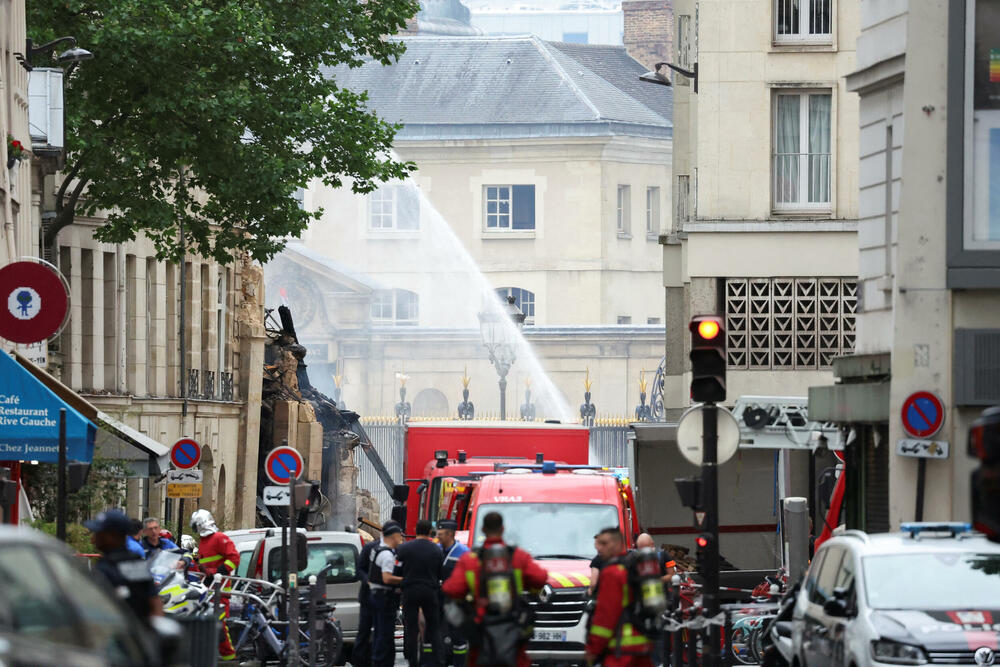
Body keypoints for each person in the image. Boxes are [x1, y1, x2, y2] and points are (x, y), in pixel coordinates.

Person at [442, 512, 548, 667]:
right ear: (503, 529)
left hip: (482, 632)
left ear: (483, 530)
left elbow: (451, 589)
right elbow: (540, 578)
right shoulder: (518, 557)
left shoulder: (470, 559)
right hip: (513, 633)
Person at [585, 528, 654, 667]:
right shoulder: (634, 566)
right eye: (597, 544)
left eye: (604, 543)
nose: (598, 548)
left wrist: (593, 648)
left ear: (618, 544)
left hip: (620, 650)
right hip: (643, 644)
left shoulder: (612, 572)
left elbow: (606, 617)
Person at [86, 509, 163, 624]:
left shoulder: (104, 568)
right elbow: (155, 602)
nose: (93, 539)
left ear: (111, 536)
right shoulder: (137, 562)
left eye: (99, 533)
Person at [191, 509, 240, 662]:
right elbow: (205, 567)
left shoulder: (219, 538)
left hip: (220, 591)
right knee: (210, 626)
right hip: (209, 591)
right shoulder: (203, 542)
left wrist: (217, 572)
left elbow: (234, 558)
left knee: (219, 626)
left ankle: (229, 659)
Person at [397, 519, 444, 667]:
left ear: (416, 530)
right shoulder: (436, 549)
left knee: (411, 627)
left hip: (410, 591)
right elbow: (440, 573)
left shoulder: (404, 549)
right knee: (434, 626)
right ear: (430, 531)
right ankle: (437, 659)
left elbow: (397, 570)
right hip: (430, 591)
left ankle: (412, 661)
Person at [370, 521, 405, 667]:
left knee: (381, 633)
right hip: (383, 598)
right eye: (400, 537)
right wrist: (406, 580)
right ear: (394, 536)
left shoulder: (379, 550)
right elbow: (387, 577)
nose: (402, 540)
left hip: (378, 597)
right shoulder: (387, 555)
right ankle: (380, 662)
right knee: (384, 634)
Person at [437, 519, 470, 667]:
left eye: (441, 534)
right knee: (438, 635)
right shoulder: (435, 550)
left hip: (457, 601)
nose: (438, 536)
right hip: (438, 598)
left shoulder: (464, 553)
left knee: (458, 636)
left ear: (450, 534)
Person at [353, 536, 380, 667]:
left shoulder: (395, 549)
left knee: (381, 632)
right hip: (368, 597)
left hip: (383, 599)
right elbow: (359, 570)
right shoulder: (370, 548)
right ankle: (359, 662)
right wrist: (368, 580)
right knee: (364, 631)